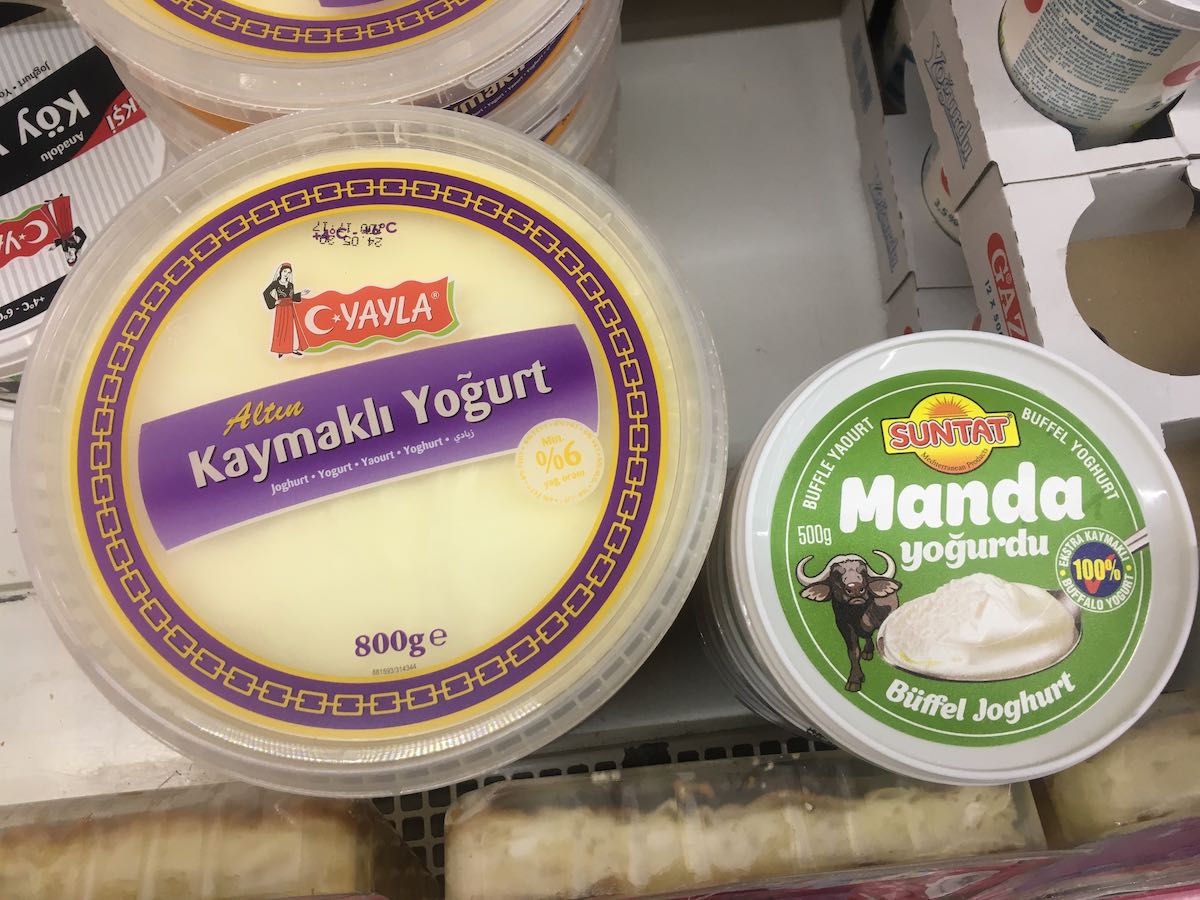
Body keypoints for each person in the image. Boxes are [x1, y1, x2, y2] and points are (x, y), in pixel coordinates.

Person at [262, 263, 311, 357]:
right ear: (281, 272)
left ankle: (292, 348)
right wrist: (274, 302)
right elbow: (265, 293)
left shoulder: (291, 285)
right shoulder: (275, 283)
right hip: (281, 309)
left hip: (290, 307)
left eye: (289, 272)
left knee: (291, 328)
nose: (286, 274)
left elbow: (291, 297)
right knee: (281, 328)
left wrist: (301, 294)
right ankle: (280, 349)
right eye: (285, 271)